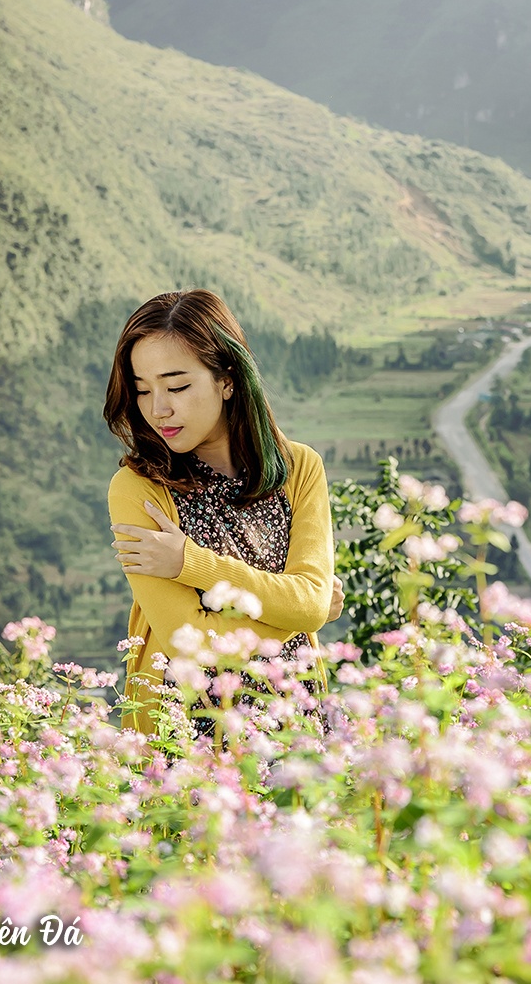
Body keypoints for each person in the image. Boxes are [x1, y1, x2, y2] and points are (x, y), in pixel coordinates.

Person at [102, 289, 343, 737]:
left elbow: (308, 604)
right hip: (187, 737)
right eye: (142, 390)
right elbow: (190, 643)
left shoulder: (301, 469)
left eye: (177, 386)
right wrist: (296, 613)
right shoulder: (138, 488)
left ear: (227, 379)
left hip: (297, 726)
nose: (159, 409)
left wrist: (190, 564)